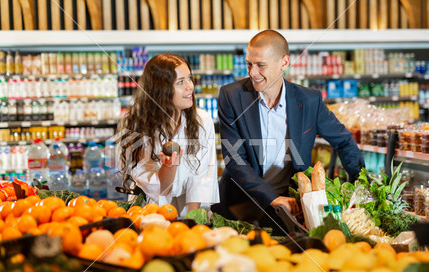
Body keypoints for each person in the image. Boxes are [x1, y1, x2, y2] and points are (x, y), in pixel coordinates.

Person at [213, 30, 364, 235]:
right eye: (249, 64)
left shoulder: (309, 100)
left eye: (260, 65)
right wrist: (272, 198)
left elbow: (344, 142)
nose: (252, 72)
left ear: (284, 63)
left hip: (291, 205)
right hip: (241, 204)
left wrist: (361, 189)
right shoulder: (232, 96)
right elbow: (235, 160)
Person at [117, 53, 219, 217]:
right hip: (150, 210)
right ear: (161, 90)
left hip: (191, 206)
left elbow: (201, 177)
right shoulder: (136, 126)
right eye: (180, 82)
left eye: (189, 78)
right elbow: (158, 189)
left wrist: (192, 221)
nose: (190, 86)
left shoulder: (202, 120)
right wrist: (169, 166)